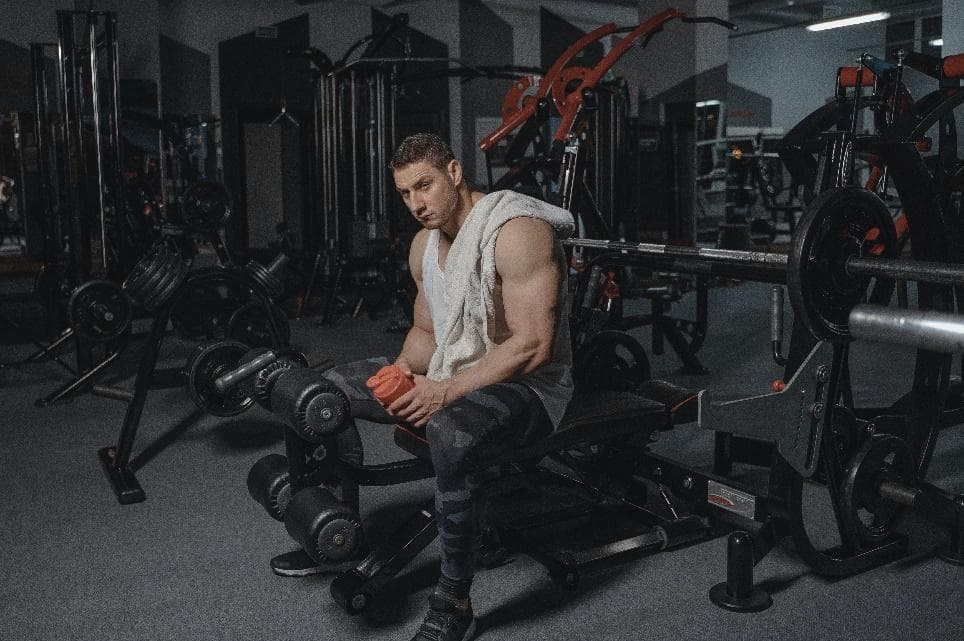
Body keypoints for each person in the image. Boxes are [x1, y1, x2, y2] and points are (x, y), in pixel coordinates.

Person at [271, 133, 574, 641]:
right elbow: (427, 333)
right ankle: (332, 536)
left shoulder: (518, 232)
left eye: (425, 186)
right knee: (320, 393)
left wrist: (445, 391)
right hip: (453, 368)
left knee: (449, 433)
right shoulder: (423, 247)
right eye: (405, 193)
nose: (416, 203)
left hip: (530, 388)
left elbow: (532, 347)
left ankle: (454, 603)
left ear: (454, 173)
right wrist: (400, 370)